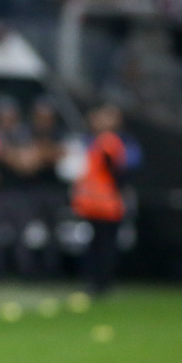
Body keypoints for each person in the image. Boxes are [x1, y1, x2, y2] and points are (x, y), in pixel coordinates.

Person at [72, 105, 127, 295]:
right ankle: (97, 283)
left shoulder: (108, 142)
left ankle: (101, 284)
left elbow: (116, 173)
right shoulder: (100, 141)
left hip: (105, 204)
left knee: (103, 246)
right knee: (99, 245)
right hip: (98, 204)